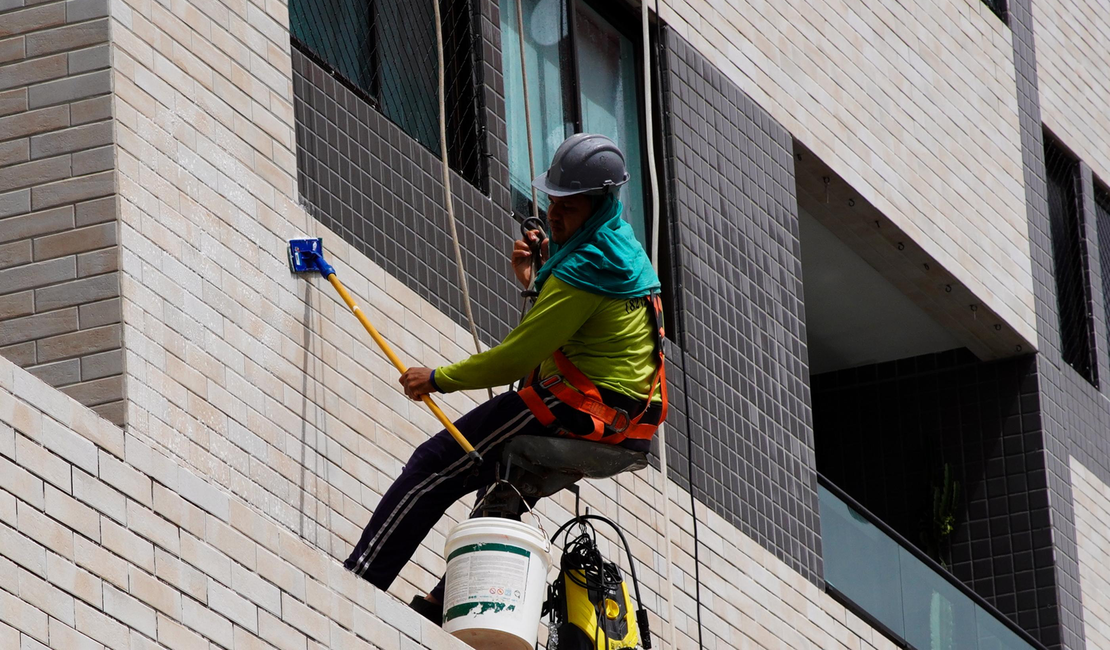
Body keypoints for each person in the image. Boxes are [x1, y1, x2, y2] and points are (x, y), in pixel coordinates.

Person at [343, 133, 667, 623]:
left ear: (599, 205)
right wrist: (533, 282)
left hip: (579, 409)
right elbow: (580, 334)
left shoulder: (587, 267)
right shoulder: (622, 251)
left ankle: (357, 580)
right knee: (505, 490)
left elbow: (516, 359)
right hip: (625, 428)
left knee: (434, 464)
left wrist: (437, 378)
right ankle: (441, 606)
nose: (555, 217)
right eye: (553, 203)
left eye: (569, 208)